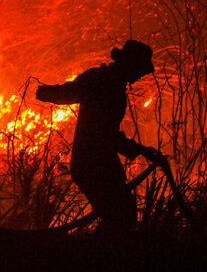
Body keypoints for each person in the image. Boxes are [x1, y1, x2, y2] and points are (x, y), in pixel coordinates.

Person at [36, 40, 162, 234]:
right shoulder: (101, 81)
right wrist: (46, 92)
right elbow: (71, 94)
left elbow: (107, 132)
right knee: (120, 216)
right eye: (139, 70)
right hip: (92, 164)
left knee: (122, 215)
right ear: (129, 65)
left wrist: (140, 150)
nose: (140, 75)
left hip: (101, 162)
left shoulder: (112, 84)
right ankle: (98, 256)